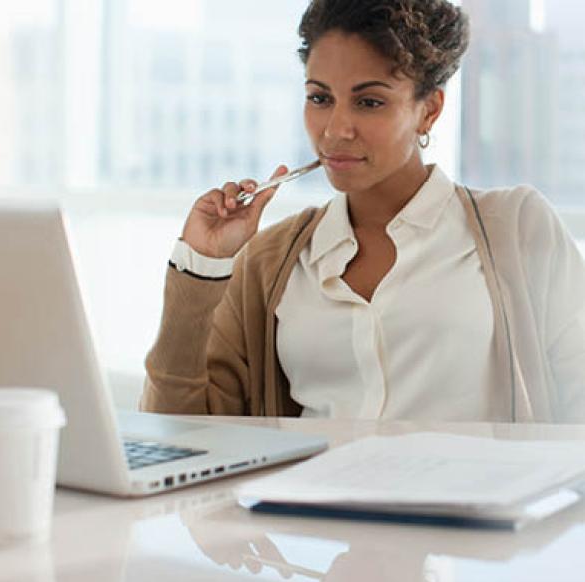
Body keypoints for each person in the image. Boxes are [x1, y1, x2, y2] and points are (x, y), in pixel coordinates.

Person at [140, 0, 585, 423]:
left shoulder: (518, 227)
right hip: (303, 504)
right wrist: (202, 264)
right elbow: (179, 433)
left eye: (369, 102)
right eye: (320, 98)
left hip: (471, 502)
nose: (335, 129)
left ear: (428, 110)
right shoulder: (271, 262)